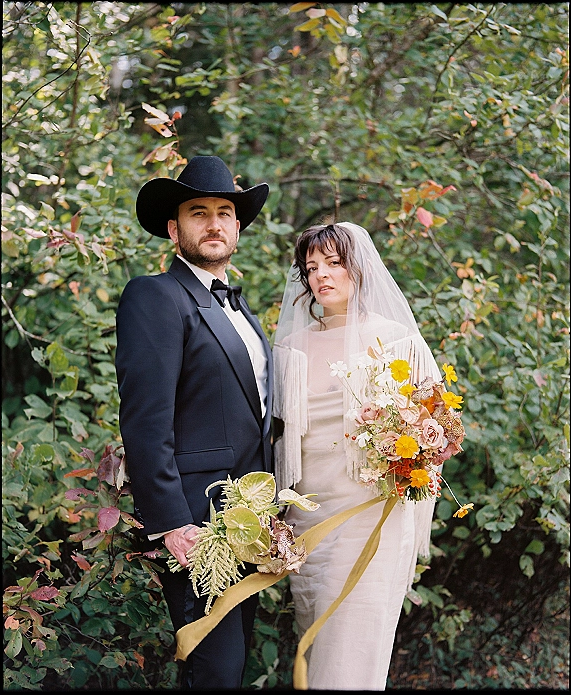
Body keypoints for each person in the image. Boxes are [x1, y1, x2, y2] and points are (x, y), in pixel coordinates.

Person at [115, 155, 273, 690]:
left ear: (237, 226)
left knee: (230, 666)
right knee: (215, 669)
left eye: (225, 212)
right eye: (198, 212)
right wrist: (171, 522)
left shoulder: (241, 309)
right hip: (195, 523)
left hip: (250, 518)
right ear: (173, 228)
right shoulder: (155, 296)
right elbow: (144, 420)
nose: (213, 224)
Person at [272, 221, 442, 690]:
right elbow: (275, 441)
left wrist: (404, 461)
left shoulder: (397, 341)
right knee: (319, 639)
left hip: (371, 517)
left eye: (334, 262)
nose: (322, 275)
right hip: (307, 522)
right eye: (311, 267)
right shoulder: (289, 348)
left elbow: (437, 433)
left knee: (350, 649)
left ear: (359, 267)